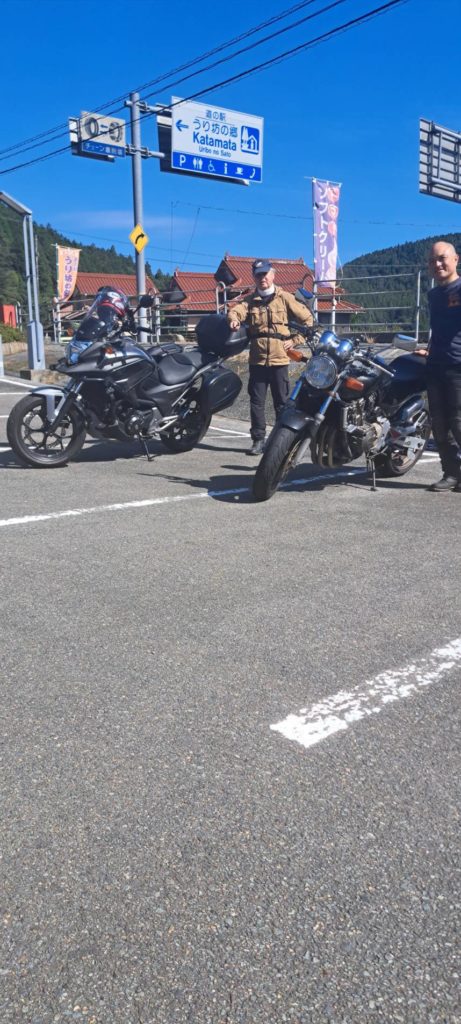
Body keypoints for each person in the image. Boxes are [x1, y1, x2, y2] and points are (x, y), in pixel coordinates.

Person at [228, 259, 313, 455]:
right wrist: (233, 320)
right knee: (256, 402)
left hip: (279, 360)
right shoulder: (250, 300)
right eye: (258, 275)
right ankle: (258, 440)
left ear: (273, 275)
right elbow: (235, 311)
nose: (262, 278)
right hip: (257, 360)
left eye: (265, 274)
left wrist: (296, 340)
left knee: (282, 403)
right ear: (254, 277)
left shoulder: (285, 298)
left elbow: (308, 320)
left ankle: (279, 442)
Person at [415, 241, 461, 491]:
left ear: (456, 259)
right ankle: (451, 473)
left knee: (458, 422)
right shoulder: (434, 295)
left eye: (442, 258)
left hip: (458, 366)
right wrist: (429, 348)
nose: (437, 264)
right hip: (436, 364)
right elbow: (437, 329)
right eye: (432, 261)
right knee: (440, 424)